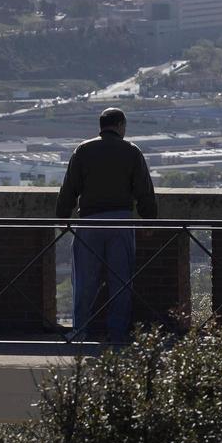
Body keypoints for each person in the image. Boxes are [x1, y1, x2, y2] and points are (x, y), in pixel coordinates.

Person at [56, 107, 156, 344]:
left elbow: (69, 187)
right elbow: (145, 191)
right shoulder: (131, 151)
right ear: (120, 125)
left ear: (101, 126)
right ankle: (117, 333)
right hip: (120, 221)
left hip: (89, 222)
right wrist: (149, 220)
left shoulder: (83, 150)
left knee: (84, 280)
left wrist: (62, 215)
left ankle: (80, 330)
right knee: (121, 281)